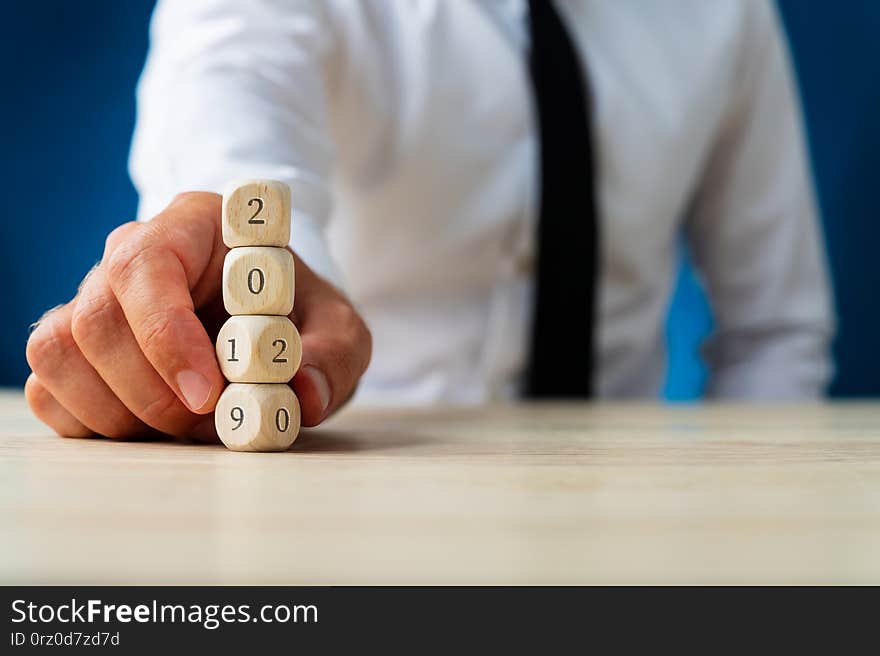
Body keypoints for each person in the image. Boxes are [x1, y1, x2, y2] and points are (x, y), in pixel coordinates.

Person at [24, 0, 834, 440]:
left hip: (627, 500)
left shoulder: (727, 15)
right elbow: (229, 132)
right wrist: (246, 282)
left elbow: (776, 333)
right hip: (347, 471)